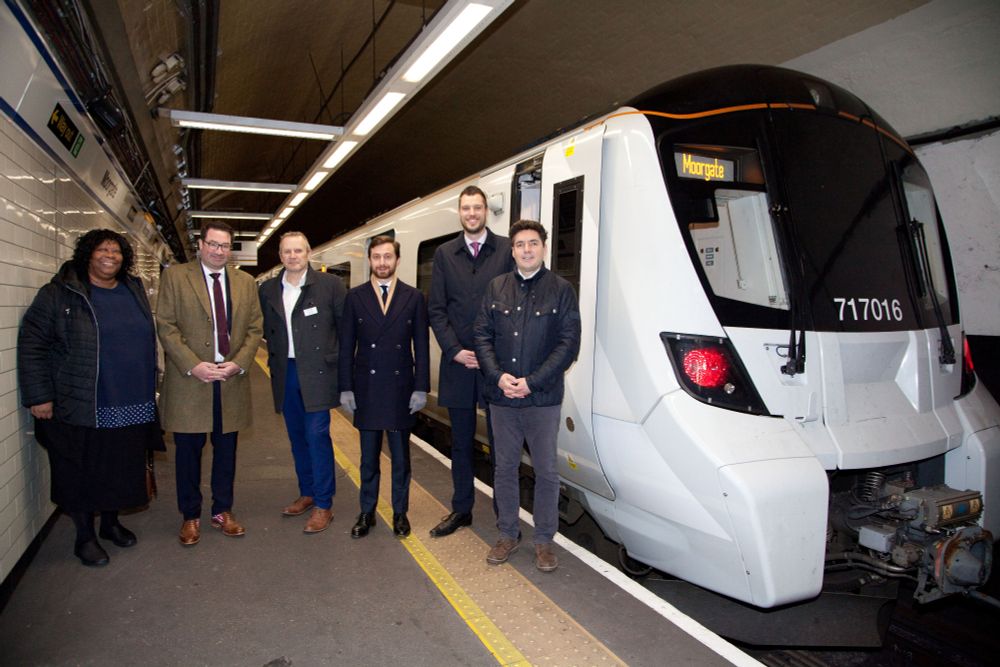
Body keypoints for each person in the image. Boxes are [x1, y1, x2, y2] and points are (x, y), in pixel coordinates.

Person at [18, 229, 163, 567]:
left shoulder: (133, 289)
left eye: (116, 250)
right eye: (102, 249)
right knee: (80, 470)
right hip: (84, 400)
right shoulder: (60, 294)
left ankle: (111, 523)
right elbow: (32, 345)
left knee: (118, 467)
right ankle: (85, 536)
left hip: (130, 401)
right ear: (87, 253)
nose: (110, 255)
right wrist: (39, 396)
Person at [473, 219, 581, 572]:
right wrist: (498, 375)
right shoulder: (496, 288)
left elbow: (568, 344)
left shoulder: (561, 290)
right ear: (513, 250)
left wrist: (532, 382)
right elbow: (482, 337)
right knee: (504, 468)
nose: (526, 250)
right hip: (502, 397)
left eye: (533, 243)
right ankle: (508, 533)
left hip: (542, 399)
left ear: (543, 247)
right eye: (520, 244)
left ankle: (544, 540)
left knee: (547, 471)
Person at [156, 220, 263, 546]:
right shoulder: (176, 277)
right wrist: (193, 365)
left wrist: (239, 363)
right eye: (213, 244)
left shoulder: (245, 283)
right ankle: (190, 516)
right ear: (200, 245)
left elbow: (255, 329)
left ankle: (222, 511)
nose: (219, 251)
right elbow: (166, 326)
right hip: (191, 380)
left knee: (226, 451)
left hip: (229, 380)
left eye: (225, 246)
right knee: (188, 452)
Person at [427, 185, 513, 537]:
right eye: (466, 208)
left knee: (502, 447)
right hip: (459, 364)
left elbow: (515, 306)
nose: (472, 213)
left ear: (485, 211)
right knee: (460, 444)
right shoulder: (445, 254)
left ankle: (504, 517)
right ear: (459, 213)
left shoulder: (507, 249)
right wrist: (454, 350)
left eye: (478, 207)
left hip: (497, 367)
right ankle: (461, 509)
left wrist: (491, 354)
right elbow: (436, 309)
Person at [339, 236, 430, 538]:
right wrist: (346, 387)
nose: (382, 263)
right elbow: (346, 346)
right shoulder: (355, 297)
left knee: (401, 459)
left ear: (397, 260)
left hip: (401, 388)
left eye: (387, 257)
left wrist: (421, 387)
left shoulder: (413, 297)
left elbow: (421, 345)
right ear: (369, 260)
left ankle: (400, 513)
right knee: (367, 459)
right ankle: (367, 512)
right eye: (376, 257)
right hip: (366, 388)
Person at [259, 231, 346, 534]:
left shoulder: (330, 285)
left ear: (309, 253)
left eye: (298, 250)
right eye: (287, 252)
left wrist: (341, 369)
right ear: (280, 256)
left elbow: (344, 329)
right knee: (297, 438)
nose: (293, 256)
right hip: (286, 373)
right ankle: (307, 492)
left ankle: (324, 504)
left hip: (319, 373)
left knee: (317, 436)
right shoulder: (269, 289)